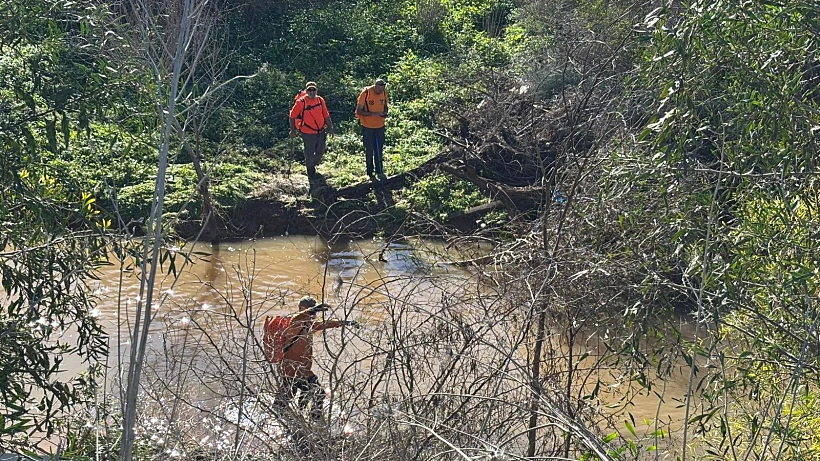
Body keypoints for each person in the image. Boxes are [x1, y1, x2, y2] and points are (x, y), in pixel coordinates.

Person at [277, 295, 357, 419]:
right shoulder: (294, 323)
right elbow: (298, 317)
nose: (314, 314)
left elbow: (326, 323)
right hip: (292, 371)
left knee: (300, 396)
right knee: (314, 394)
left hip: (303, 371)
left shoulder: (309, 325)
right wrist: (315, 309)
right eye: (312, 310)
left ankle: (306, 417)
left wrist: (346, 322)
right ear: (302, 309)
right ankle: (312, 419)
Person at [289, 82, 334, 177]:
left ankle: (312, 164)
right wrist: (293, 130)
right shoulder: (301, 102)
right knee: (309, 152)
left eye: (314, 90)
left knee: (320, 151)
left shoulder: (320, 100)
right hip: (307, 132)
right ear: (306, 91)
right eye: (309, 90)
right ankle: (311, 173)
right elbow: (292, 116)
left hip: (321, 131)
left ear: (316, 90)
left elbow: (326, 115)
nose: (312, 92)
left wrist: (330, 128)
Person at [355, 78, 389, 182]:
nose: (380, 91)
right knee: (369, 149)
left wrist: (385, 113)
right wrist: (372, 114)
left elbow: (386, 106)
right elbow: (359, 111)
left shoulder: (383, 92)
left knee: (379, 149)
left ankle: (380, 171)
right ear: (375, 86)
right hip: (368, 126)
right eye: (379, 88)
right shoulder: (365, 93)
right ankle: (370, 172)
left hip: (380, 126)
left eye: (382, 88)